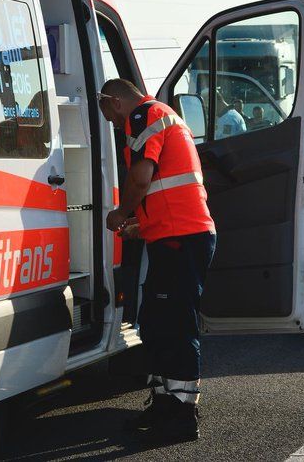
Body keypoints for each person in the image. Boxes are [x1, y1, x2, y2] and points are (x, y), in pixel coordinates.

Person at [98, 78, 216, 442]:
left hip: (181, 239)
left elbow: (141, 178)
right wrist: (141, 226)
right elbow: (168, 189)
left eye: (111, 118)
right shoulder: (166, 117)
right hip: (175, 236)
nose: (115, 126)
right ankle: (166, 403)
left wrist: (121, 213)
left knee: (176, 326)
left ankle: (182, 414)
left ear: (115, 102)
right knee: (156, 322)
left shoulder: (143, 116)